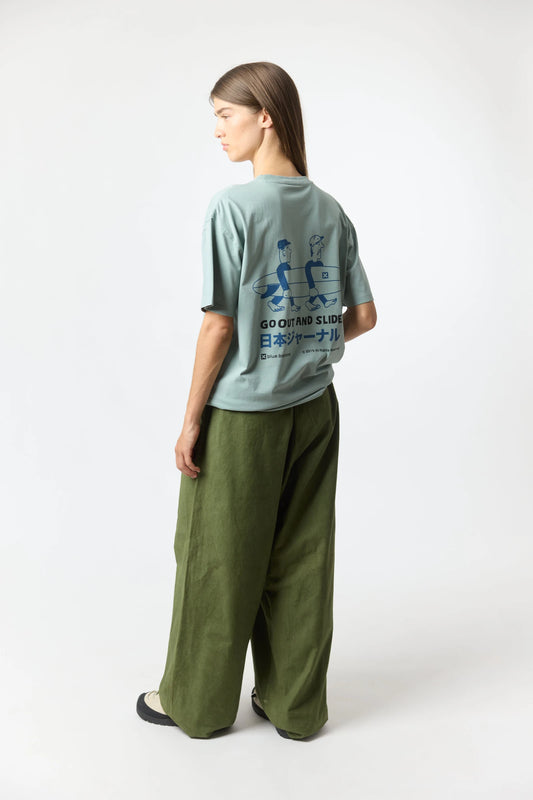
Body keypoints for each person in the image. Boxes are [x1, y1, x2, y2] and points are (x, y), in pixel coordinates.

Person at [136, 61, 377, 740]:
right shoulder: (329, 208)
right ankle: (294, 708)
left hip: (243, 417)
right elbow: (362, 316)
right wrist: (304, 341)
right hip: (315, 410)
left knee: (216, 557)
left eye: (225, 114)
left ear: (264, 115)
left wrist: (190, 421)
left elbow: (219, 324)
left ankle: (197, 703)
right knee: (302, 556)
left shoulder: (235, 207)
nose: (217, 130)